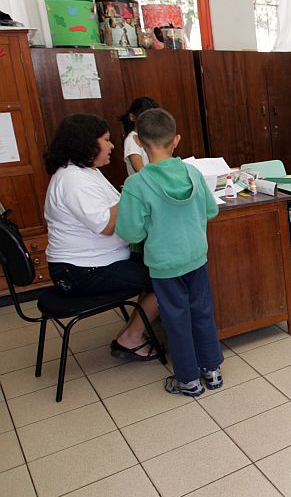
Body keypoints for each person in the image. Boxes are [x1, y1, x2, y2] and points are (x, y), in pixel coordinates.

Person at [115, 109, 222, 396]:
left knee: (176, 320)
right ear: (176, 140)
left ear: (138, 141)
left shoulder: (137, 185)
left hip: (165, 265)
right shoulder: (193, 172)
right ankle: (212, 371)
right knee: (202, 312)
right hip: (196, 257)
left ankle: (188, 379)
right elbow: (211, 210)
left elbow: (131, 232)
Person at [43, 114, 160, 362]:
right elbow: (107, 225)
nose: (112, 146)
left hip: (98, 261)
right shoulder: (73, 180)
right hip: (80, 271)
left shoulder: (87, 171)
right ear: (87, 144)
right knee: (169, 278)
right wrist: (133, 188)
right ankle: (130, 338)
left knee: (159, 264)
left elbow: (113, 207)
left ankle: (135, 329)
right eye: (106, 140)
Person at [120, 96, 159, 176]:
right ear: (132, 117)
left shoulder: (152, 136)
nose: (150, 121)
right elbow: (140, 171)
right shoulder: (131, 140)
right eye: (146, 117)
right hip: (143, 185)